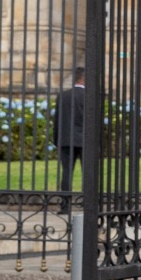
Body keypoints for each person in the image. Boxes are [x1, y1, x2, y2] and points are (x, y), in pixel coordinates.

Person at [53, 65, 87, 213]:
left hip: (66, 139)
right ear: (85, 78)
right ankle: (89, 204)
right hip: (86, 140)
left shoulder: (63, 95)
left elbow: (57, 120)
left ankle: (65, 206)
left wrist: (56, 140)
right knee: (88, 173)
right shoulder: (90, 96)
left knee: (66, 173)